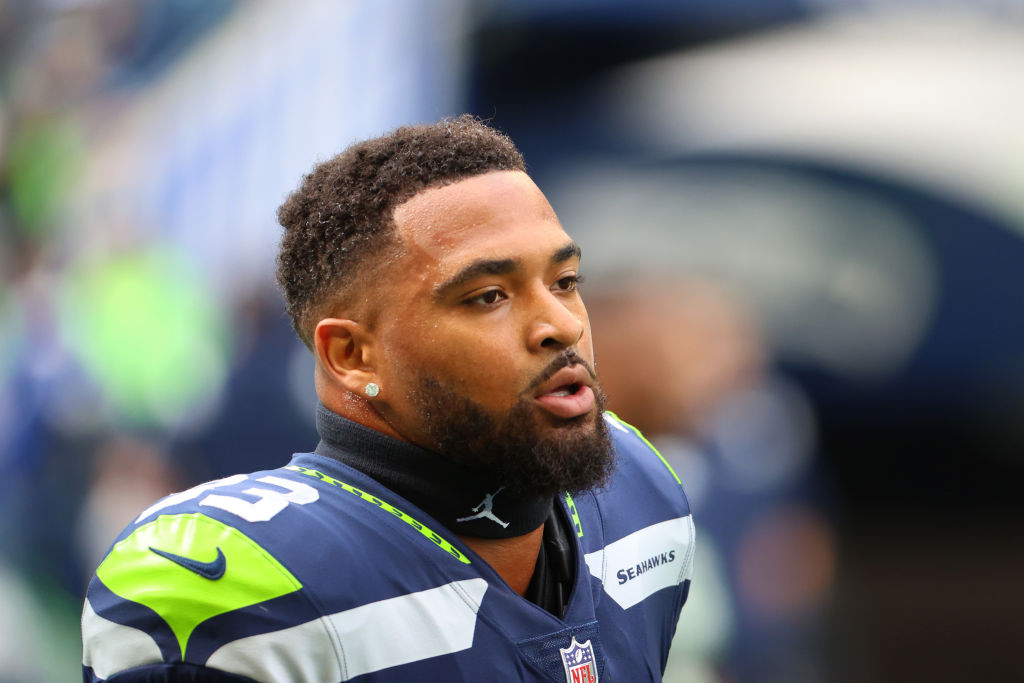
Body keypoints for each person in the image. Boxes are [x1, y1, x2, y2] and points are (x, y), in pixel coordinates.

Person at [81, 115, 694, 682]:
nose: (561, 324)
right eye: (488, 296)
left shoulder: (638, 492)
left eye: (564, 281)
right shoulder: (240, 583)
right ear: (352, 356)